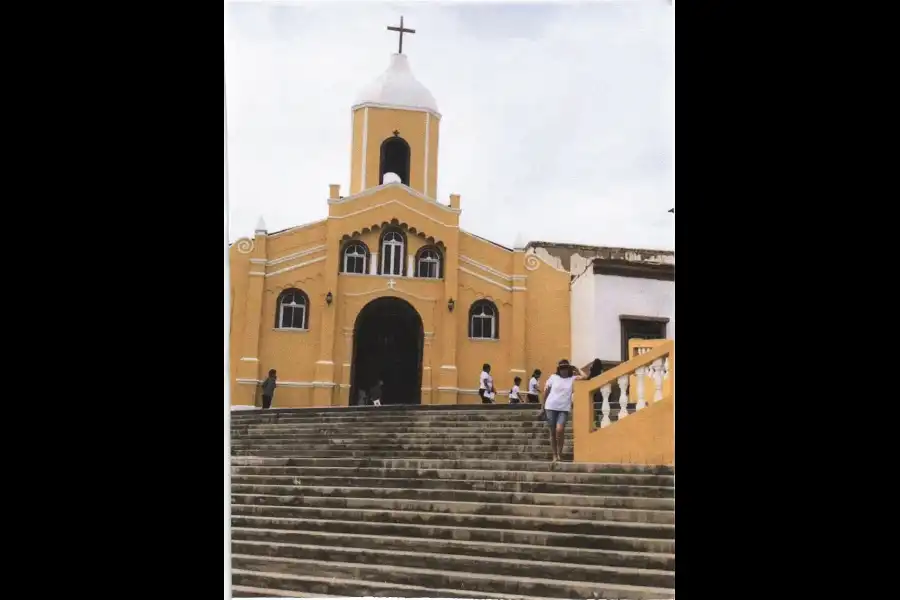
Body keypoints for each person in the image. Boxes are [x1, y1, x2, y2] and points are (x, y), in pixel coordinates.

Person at [543, 359, 585, 462]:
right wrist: (542, 406)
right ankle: (555, 455)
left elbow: (586, 376)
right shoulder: (553, 377)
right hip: (550, 407)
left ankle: (560, 453)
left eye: (565, 368)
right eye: (561, 368)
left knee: (560, 430)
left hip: (563, 408)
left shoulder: (572, 379)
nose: (563, 370)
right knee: (552, 432)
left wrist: (577, 369)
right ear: (559, 369)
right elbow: (546, 391)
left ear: (569, 368)